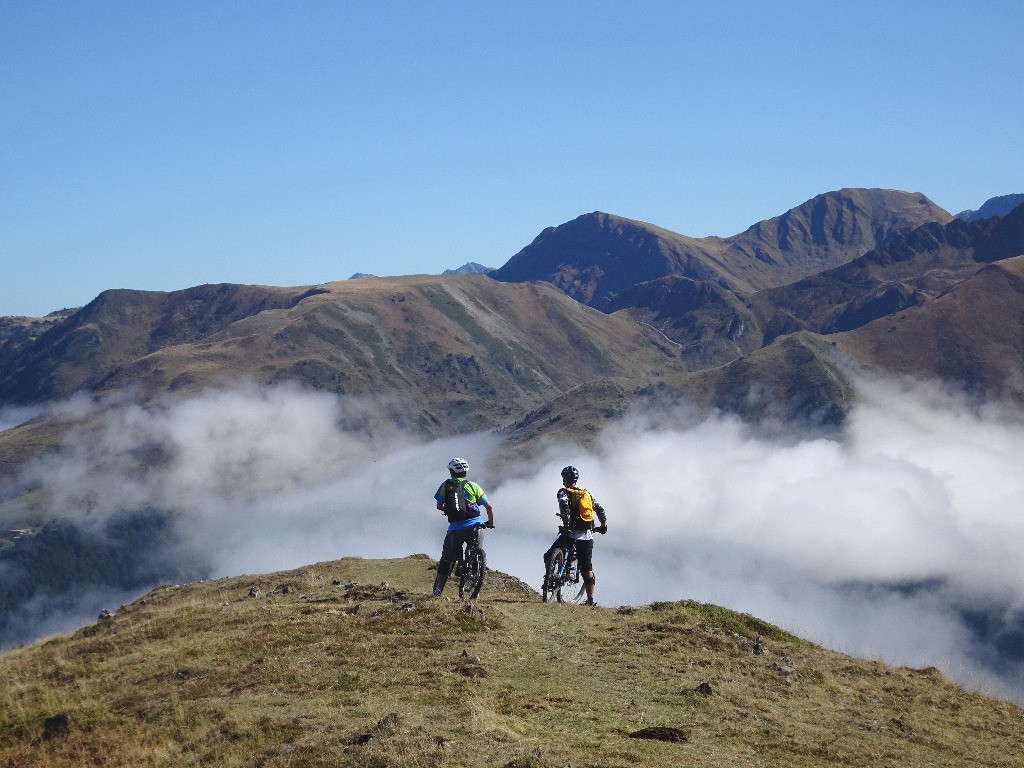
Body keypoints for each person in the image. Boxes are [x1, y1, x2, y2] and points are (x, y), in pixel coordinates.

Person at [544, 465, 607, 606]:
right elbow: (600, 509)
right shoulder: (587, 495)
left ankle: (551, 579)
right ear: (576, 480)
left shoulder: (563, 492)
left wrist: (566, 526)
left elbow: (564, 506)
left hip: (570, 533)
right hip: (587, 535)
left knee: (548, 556)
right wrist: (603, 525)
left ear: (564, 479)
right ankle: (590, 600)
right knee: (586, 569)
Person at [432, 457, 495, 597]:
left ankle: (437, 592)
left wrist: (448, 510)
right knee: (475, 554)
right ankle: (474, 587)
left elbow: (439, 505)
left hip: (456, 528)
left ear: (451, 471)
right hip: (476, 525)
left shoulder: (446, 485)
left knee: (446, 560)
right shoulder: (473, 486)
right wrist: (490, 523)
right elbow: (489, 507)